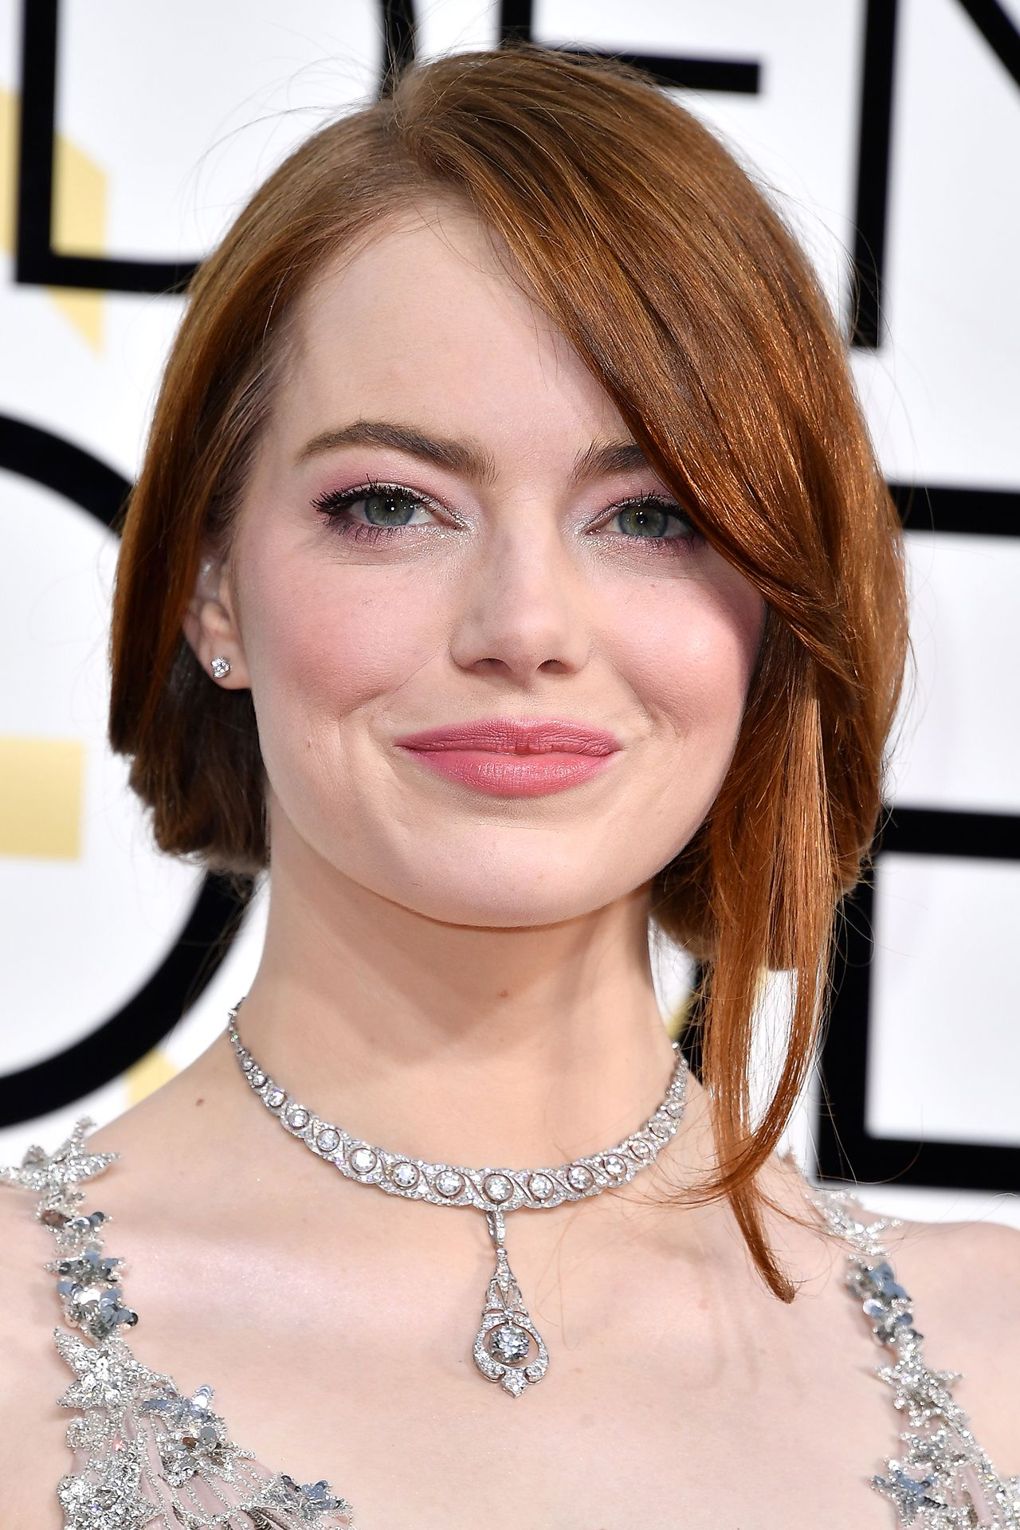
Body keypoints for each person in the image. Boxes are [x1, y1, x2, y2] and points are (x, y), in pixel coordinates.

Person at [1, 41, 1017, 1530]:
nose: (525, 625)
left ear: (777, 603)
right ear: (214, 585)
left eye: (650, 515)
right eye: (391, 505)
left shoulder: (998, 1359)